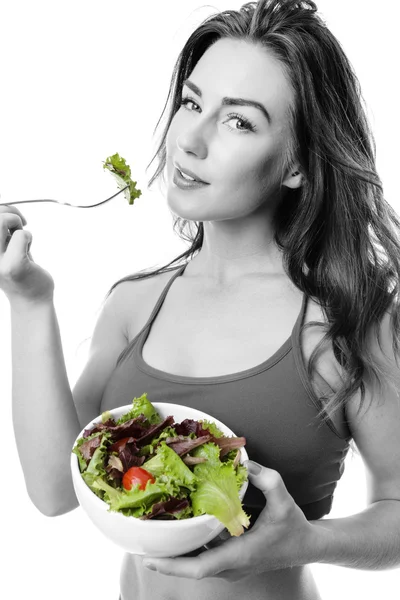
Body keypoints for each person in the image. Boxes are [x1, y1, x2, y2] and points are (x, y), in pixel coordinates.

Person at [1, 0, 400, 598]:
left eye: (239, 121)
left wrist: (308, 543)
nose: (190, 138)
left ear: (295, 164)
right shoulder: (135, 304)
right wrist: (30, 301)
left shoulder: (344, 319)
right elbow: (58, 491)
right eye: (192, 103)